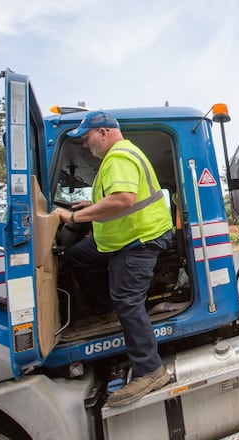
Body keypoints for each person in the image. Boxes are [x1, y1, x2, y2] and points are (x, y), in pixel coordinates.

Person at [53, 111, 173, 407]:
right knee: (79, 255)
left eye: (87, 137)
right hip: (120, 240)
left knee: (128, 301)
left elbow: (123, 200)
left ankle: (151, 370)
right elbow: (117, 197)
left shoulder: (118, 156)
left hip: (138, 241)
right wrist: (93, 204)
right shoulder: (116, 157)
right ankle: (104, 310)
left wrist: (72, 216)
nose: (84, 144)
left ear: (104, 132)